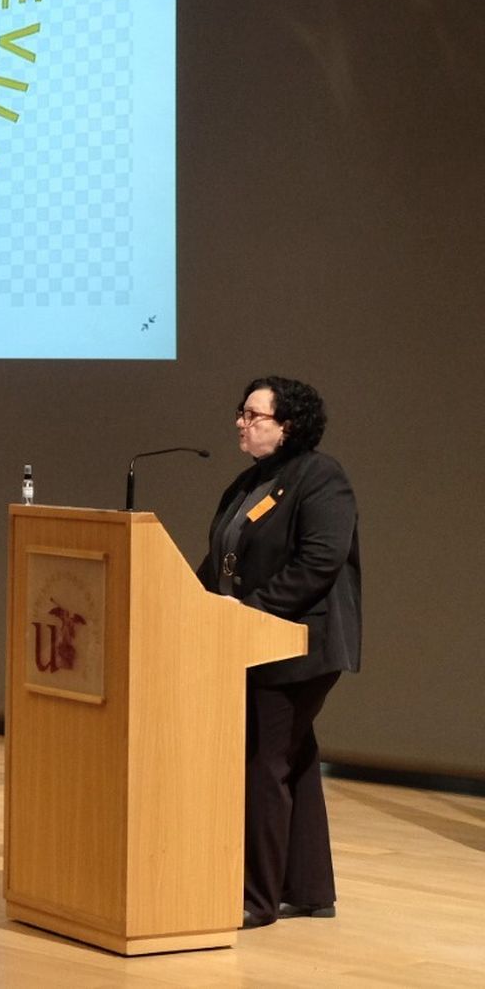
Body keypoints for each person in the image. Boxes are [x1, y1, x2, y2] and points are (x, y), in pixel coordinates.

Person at [196, 376, 362, 929]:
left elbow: (319, 562)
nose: (241, 423)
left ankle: (255, 899)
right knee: (292, 757)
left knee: (263, 763)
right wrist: (187, 603)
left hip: (299, 646)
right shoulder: (248, 483)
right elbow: (217, 560)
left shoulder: (321, 477)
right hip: (254, 640)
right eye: (240, 413)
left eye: (254, 415)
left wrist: (249, 612)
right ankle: (309, 888)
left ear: (287, 425)